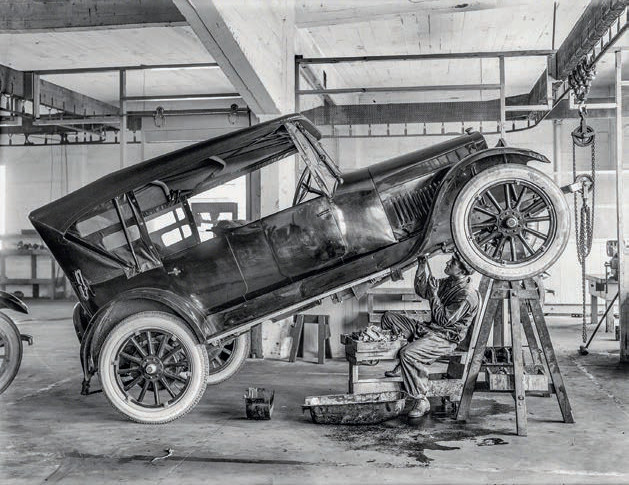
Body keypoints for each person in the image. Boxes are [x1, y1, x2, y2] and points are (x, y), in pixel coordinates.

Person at [381, 252, 479, 418]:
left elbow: (443, 321)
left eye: (453, 262)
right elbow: (423, 291)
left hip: (445, 338)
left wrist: (434, 295)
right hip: (430, 330)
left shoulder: (466, 295)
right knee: (389, 317)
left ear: (462, 270)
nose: (448, 263)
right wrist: (421, 267)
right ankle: (405, 366)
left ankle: (421, 399)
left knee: (408, 354)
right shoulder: (449, 282)